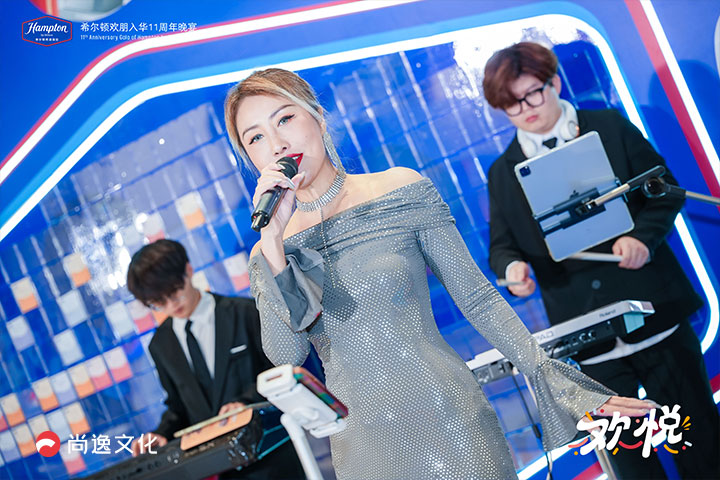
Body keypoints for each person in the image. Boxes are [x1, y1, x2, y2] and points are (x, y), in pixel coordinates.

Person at [223, 68, 655, 480]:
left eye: (285, 119)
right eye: (256, 137)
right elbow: (287, 356)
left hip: (451, 418)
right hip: (365, 448)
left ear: (318, 118)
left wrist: (561, 384)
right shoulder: (268, 251)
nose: (276, 144)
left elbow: (479, 299)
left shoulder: (398, 190)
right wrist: (274, 245)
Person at [483, 41, 719, 479]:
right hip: (588, 339)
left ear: (554, 83)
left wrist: (642, 239)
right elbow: (502, 246)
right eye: (512, 104)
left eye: (532, 93)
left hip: (655, 314)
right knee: (631, 465)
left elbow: (664, 190)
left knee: (699, 445)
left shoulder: (608, 126)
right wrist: (512, 270)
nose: (526, 109)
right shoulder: (503, 172)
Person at [126, 239, 304, 479]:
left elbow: (279, 372)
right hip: (218, 468)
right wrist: (161, 434)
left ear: (188, 270)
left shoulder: (244, 312)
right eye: (159, 302)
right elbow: (178, 407)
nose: (171, 305)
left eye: (174, 292)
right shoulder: (161, 344)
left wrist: (245, 402)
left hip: (272, 456)